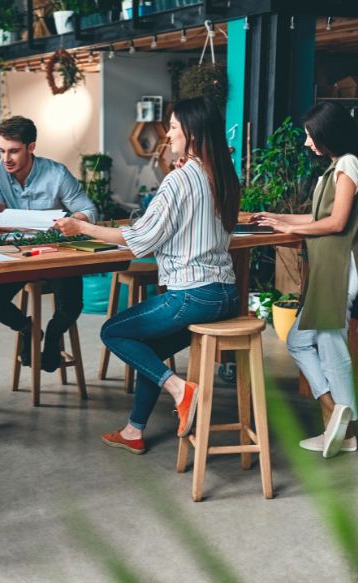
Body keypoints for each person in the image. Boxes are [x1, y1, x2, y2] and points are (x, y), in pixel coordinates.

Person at [53, 96, 241, 455]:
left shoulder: (180, 180)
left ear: (193, 132)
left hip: (192, 296)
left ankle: (179, 390)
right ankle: (133, 430)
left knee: (113, 331)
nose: (168, 134)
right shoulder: (225, 176)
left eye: (172, 127)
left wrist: (80, 227)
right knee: (149, 351)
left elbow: (138, 240)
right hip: (227, 297)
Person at [253, 102, 358, 458]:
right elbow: (320, 215)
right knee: (299, 341)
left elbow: (337, 223)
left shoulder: (348, 164)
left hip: (340, 270)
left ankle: (344, 426)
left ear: (328, 135)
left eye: (310, 136)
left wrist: (290, 227)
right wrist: (278, 217)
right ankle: (333, 413)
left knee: (332, 346)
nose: (307, 143)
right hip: (328, 270)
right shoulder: (336, 167)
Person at [0, 115, 97, 372]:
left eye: (13, 151)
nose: (6, 159)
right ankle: (28, 329)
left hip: (53, 253)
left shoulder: (56, 173)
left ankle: (53, 336)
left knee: (72, 305)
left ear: (31, 147)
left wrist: (75, 221)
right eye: (2, 151)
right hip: (16, 256)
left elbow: (88, 209)